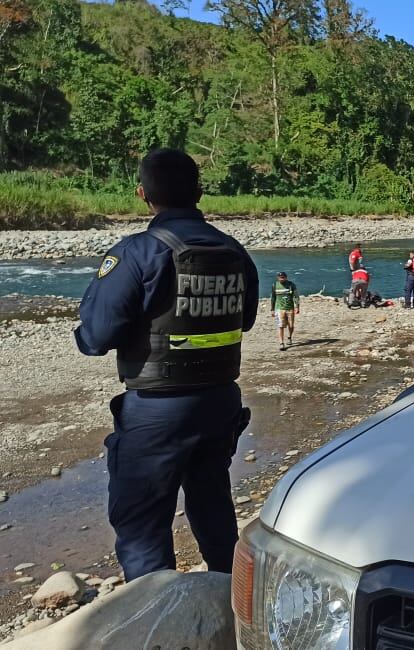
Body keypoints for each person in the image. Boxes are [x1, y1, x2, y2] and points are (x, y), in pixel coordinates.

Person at [74, 149, 259, 581]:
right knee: (213, 507)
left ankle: (154, 621)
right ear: (199, 192)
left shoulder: (136, 253)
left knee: (141, 527)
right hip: (219, 403)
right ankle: (231, 606)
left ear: (142, 195)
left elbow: (97, 335)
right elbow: (245, 320)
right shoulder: (234, 252)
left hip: (157, 408)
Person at [270, 271, 299, 351]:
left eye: (283, 277)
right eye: (280, 277)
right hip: (279, 308)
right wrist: (272, 309)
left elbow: (296, 296)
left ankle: (289, 337)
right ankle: (281, 343)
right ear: (277, 278)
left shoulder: (291, 285)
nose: (281, 278)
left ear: (286, 277)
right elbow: (273, 298)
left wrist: (297, 307)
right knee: (280, 326)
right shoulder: (275, 285)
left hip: (290, 308)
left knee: (291, 325)